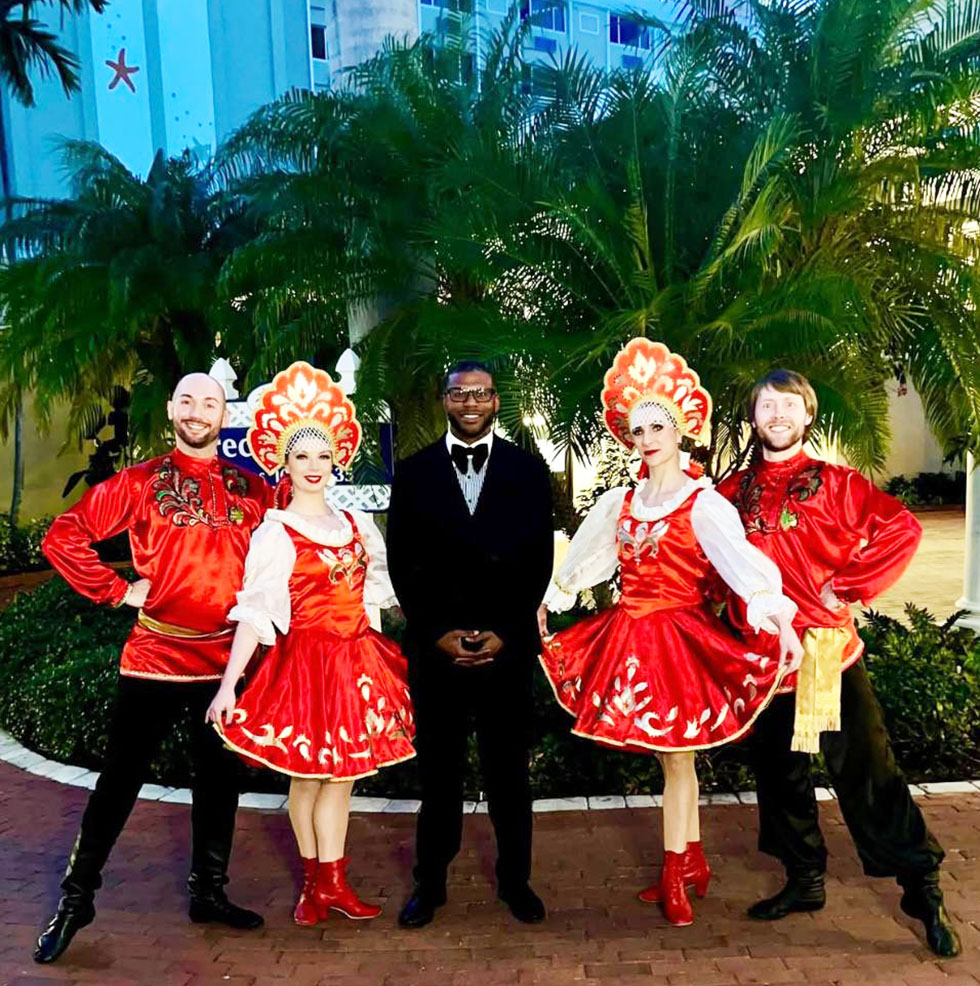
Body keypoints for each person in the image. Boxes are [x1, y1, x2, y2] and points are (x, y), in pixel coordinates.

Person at [537, 338, 803, 928]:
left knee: (677, 762)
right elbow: (590, 561)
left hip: (681, 645)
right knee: (669, 761)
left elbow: (742, 565)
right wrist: (553, 599)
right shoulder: (619, 502)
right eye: (639, 428)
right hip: (630, 639)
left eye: (660, 424)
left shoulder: (702, 503)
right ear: (627, 437)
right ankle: (692, 861)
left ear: (680, 429)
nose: (649, 436)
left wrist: (779, 618)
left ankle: (676, 870)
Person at [716, 368, 960, 958]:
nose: (776, 415)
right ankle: (803, 881)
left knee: (866, 773)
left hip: (824, 652)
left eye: (788, 406)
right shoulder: (730, 492)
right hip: (764, 658)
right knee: (781, 774)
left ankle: (923, 892)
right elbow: (709, 559)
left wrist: (850, 587)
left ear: (807, 416)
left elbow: (899, 528)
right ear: (754, 417)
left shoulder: (836, 483)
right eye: (766, 406)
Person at [34, 372, 271, 965]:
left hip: (225, 663)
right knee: (118, 782)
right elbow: (65, 536)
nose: (197, 411)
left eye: (209, 402)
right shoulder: (138, 483)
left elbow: (293, 546)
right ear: (171, 409)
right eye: (187, 400)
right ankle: (76, 898)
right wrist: (116, 591)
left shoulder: (252, 488)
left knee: (220, 781)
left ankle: (209, 892)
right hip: (156, 657)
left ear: (224, 413)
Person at [207, 360, 415, 925]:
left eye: (323, 455)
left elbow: (382, 591)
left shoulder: (355, 524)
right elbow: (257, 613)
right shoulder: (275, 533)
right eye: (302, 456)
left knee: (341, 778)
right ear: (285, 462)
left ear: (337, 459)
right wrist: (230, 685)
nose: (314, 466)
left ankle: (331, 884)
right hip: (305, 663)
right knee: (309, 778)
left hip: (355, 660)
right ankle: (316, 884)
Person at [386, 359, 554, 928]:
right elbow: (402, 564)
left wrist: (505, 631)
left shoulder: (529, 471)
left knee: (510, 774)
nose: (471, 402)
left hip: (507, 650)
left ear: (497, 400)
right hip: (438, 653)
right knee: (440, 776)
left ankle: (517, 882)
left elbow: (538, 562)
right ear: (445, 401)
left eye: (481, 393)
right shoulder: (410, 473)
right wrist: (439, 633)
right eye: (460, 393)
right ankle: (428, 886)